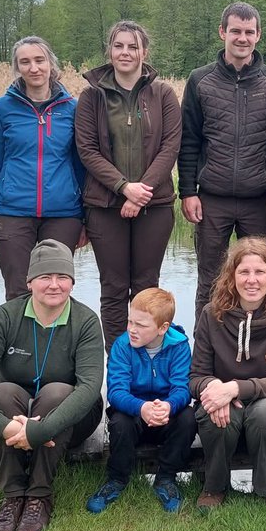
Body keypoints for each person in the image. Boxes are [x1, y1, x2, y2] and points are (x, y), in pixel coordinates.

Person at [0, 240, 105, 531]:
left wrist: (39, 431)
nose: (54, 285)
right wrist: (4, 427)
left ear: (72, 282)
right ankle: (13, 495)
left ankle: (39, 495)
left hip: (71, 419)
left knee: (56, 393)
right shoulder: (6, 316)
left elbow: (90, 388)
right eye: (45, 277)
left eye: (62, 277)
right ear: (29, 282)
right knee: (1, 394)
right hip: (15, 419)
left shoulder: (86, 321)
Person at [178, 2, 266, 320]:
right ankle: (203, 357)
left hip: (259, 198)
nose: (241, 38)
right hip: (211, 198)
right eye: (235, 31)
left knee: (258, 279)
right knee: (211, 281)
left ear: (258, 35)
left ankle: (253, 353)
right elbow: (188, 140)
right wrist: (188, 191)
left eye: (248, 32)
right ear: (222, 33)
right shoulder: (200, 80)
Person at [76, 21, 182, 346]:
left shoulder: (163, 94)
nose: (125, 52)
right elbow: (87, 150)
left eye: (132, 47)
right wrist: (124, 187)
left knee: (147, 287)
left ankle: (148, 361)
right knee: (113, 288)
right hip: (105, 207)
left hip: (156, 206)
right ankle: (118, 364)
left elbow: (170, 147)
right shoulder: (91, 97)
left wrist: (140, 193)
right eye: (119, 45)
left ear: (144, 52)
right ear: (109, 50)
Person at [190, 237, 266, 513]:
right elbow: (196, 377)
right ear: (232, 276)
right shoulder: (211, 313)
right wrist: (216, 388)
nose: (252, 280)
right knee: (212, 409)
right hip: (227, 407)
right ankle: (214, 485)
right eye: (244, 272)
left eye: (260, 271)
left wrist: (235, 388)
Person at [0, 35, 86, 300]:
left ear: (51, 64)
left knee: (55, 292)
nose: (34, 68)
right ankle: (19, 343)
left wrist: (84, 217)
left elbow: (80, 165)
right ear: (17, 68)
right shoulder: (1, 108)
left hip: (63, 214)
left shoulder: (72, 108)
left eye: (39, 60)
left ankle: (56, 342)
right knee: (19, 293)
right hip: (11, 212)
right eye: (25, 62)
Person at [87, 287, 195, 514]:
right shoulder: (122, 346)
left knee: (187, 418)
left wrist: (168, 406)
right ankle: (117, 478)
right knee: (119, 422)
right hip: (134, 413)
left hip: (166, 413)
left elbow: (183, 388)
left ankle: (166, 478)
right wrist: (142, 407)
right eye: (130, 321)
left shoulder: (179, 346)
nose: (132, 330)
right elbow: (116, 391)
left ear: (162, 328)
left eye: (141, 325)